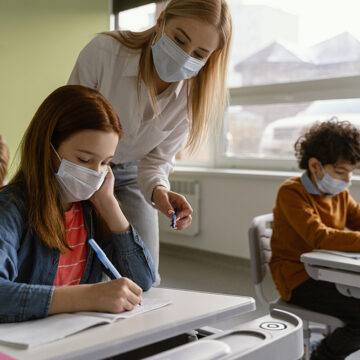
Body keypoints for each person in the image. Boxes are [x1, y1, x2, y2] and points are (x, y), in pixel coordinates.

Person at [68, 0, 232, 281]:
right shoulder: (105, 52)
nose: (184, 56)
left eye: (199, 54)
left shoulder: (194, 96)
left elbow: (156, 161)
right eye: (179, 39)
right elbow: (66, 122)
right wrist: (91, 176)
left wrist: (159, 191)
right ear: (161, 21)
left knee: (146, 277)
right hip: (80, 164)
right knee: (78, 270)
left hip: (131, 174)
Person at [0, 85, 155, 323]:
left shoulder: (91, 211)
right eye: (84, 159)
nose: (96, 173)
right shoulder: (10, 207)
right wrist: (89, 296)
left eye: (105, 162)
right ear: (48, 149)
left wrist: (109, 204)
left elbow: (142, 281)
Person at [269, 119, 360, 360]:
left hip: (329, 272)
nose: (347, 179)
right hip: (298, 279)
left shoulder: (339, 193)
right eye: (341, 172)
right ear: (315, 165)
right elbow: (318, 236)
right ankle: (322, 355)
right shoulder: (291, 193)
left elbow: (357, 218)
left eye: (351, 172)